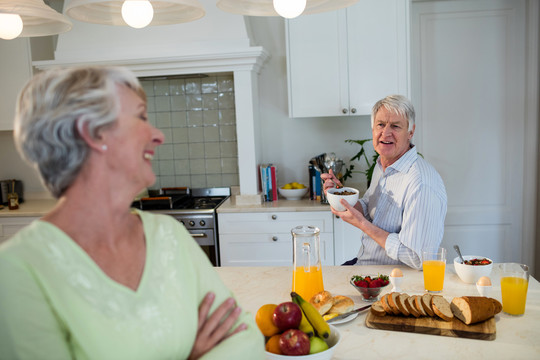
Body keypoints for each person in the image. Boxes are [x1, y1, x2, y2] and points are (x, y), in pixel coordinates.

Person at [0, 66, 264, 359]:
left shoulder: (168, 235)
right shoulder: (16, 269)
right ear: (93, 132)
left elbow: (246, 340)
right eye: (141, 116)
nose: (158, 135)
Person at [322, 95, 447, 270]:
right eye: (380, 124)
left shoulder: (421, 184)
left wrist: (363, 225)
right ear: (373, 128)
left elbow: (418, 258)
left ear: (411, 132)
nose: (385, 133)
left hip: (394, 281)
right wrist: (341, 197)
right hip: (365, 264)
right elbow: (369, 209)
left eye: (395, 126)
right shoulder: (383, 165)